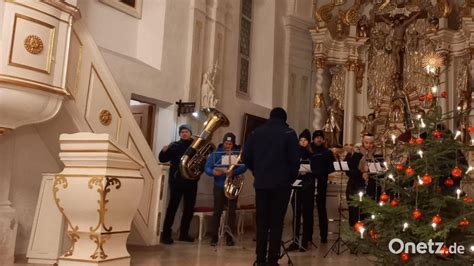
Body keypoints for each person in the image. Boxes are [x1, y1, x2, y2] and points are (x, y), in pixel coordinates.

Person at [242, 107, 300, 266]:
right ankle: (272, 260)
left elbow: (245, 157)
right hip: (281, 185)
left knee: (261, 223)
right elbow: (295, 161)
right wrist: (290, 178)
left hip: (261, 184)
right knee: (276, 223)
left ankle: (260, 259)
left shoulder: (256, 133)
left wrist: (257, 171)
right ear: (284, 118)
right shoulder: (289, 133)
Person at [204, 132, 247, 246]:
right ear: (223, 143)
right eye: (226, 143)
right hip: (219, 185)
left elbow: (244, 167)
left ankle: (229, 236)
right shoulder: (216, 153)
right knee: (217, 211)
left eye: (230, 143)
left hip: (232, 186)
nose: (228, 145)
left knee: (231, 212)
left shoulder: (237, 154)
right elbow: (207, 167)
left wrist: (233, 171)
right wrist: (213, 171)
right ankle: (214, 237)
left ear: (233, 144)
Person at [159, 124, 197, 244]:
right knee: (172, 208)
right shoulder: (174, 145)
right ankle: (166, 235)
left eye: (186, 131)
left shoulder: (196, 146)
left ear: (190, 133)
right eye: (182, 132)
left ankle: (184, 234)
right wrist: (163, 151)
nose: (184, 134)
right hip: (177, 181)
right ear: (180, 134)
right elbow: (162, 159)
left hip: (191, 181)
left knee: (189, 209)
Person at [344, 133, 383, 229]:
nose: (369, 145)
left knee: (369, 218)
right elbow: (348, 170)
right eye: (366, 143)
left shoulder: (378, 155)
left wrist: (370, 172)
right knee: (355, 216)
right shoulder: (354, 154)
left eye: (371, 143)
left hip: (371, 190)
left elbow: (382, 173)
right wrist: (361, 173)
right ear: (362, 142)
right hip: (355, 188)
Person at [287, 129, 313, 252]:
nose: (302, 142)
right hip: (296, 186)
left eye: (305, 140)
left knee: (306, 214)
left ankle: (305, 240)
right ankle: (295, 240)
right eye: (301, 140)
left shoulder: (311, 155)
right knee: (296, 214)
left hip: (307, 186)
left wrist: (308, 171)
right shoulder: (294, 153)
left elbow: (316, 170)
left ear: (308, 142)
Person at [309, 130, 336, 245]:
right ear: (313, 139)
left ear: (323, 139)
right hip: (309, 183)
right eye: (316, 137)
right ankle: (308, 236)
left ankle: (323, 235)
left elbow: (332, 167)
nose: (318, 139)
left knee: (321, 209)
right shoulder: (309, 151)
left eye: (320, 137)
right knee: (308, 210)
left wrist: (321, 172)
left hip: (321, 183)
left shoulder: (327, 152)